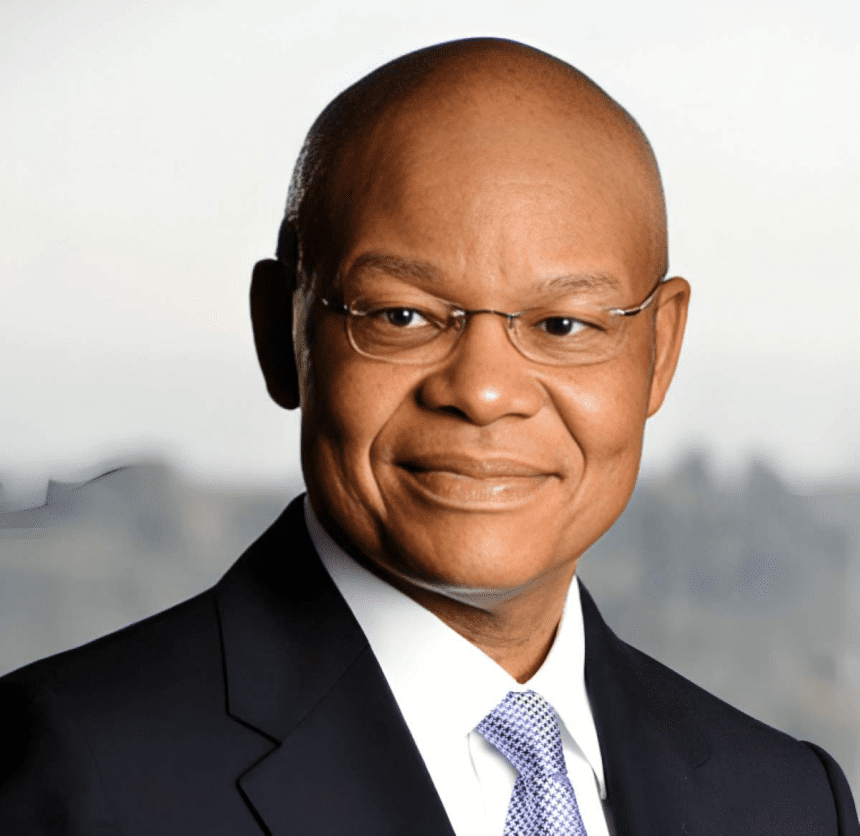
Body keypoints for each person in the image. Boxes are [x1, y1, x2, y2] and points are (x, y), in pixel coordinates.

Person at [0, 37, 856, 836]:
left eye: (562, 325)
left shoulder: (789, 803)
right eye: (401, 316)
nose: (482, 393)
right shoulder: (68, 773)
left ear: (660, 351)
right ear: (281, 333)